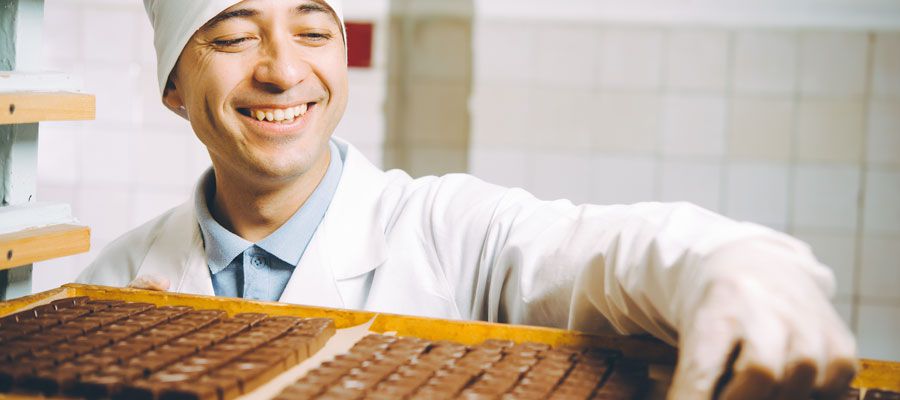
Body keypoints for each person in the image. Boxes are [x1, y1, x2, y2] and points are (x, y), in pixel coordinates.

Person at [77, 0, 858, 398]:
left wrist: (737, 266)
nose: (283, 72)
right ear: (174, 88)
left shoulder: (448, 233)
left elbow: (604, 250)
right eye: (233, 36)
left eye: (313, 32)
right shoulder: (114, 284)